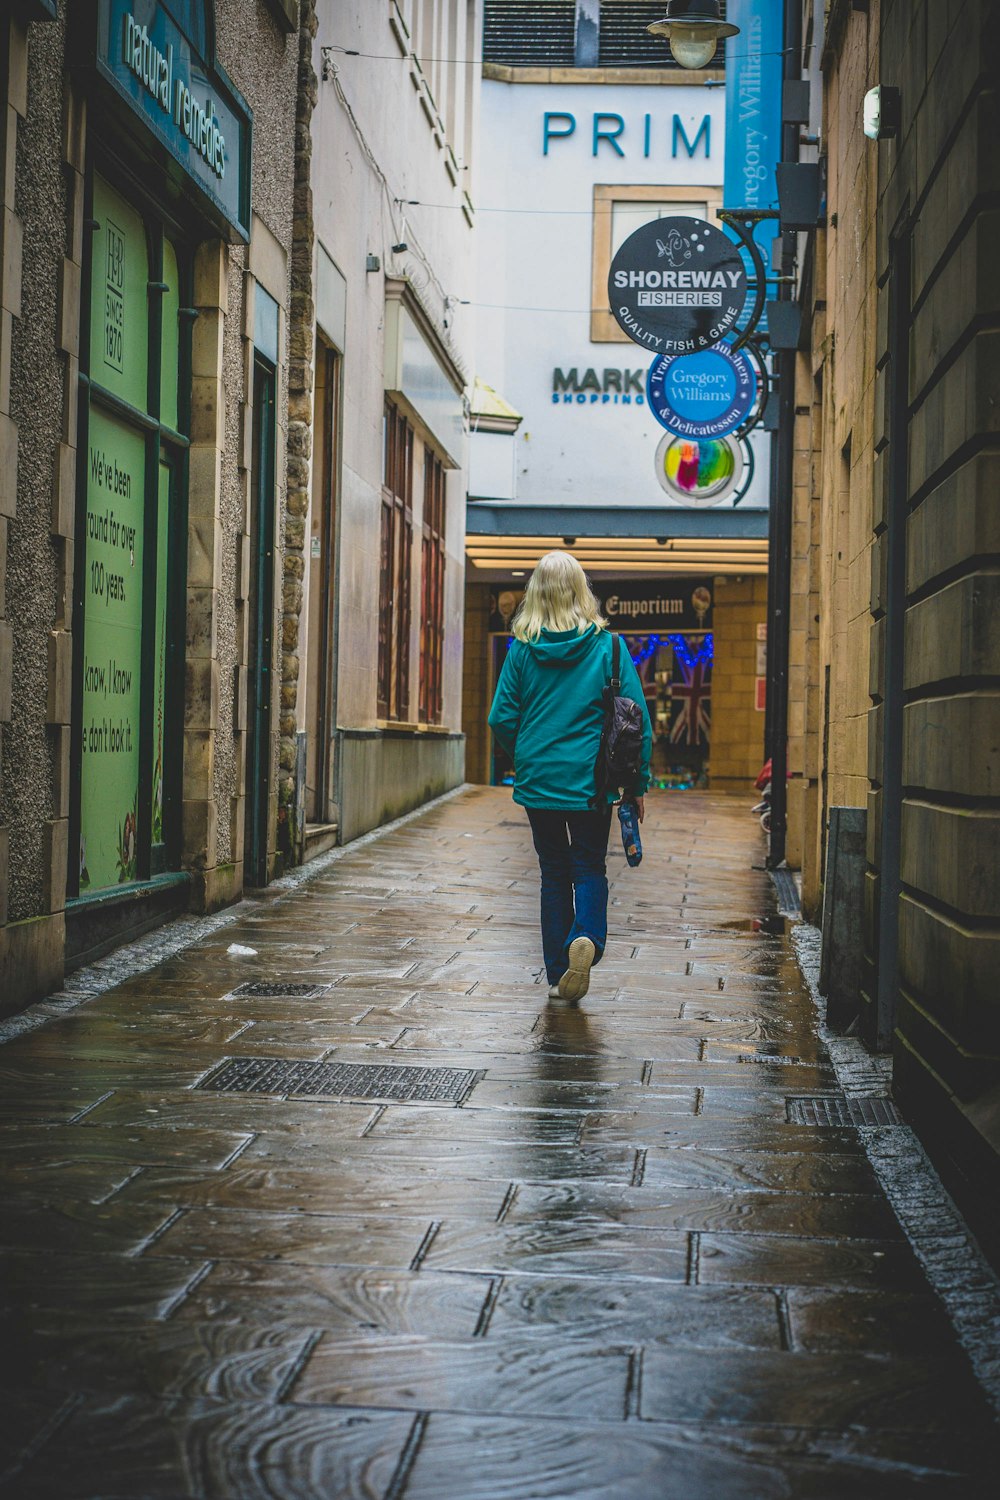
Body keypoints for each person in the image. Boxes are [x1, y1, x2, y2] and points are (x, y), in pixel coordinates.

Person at [488, 552, 652, 1002]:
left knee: (553, 874)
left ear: (535, 594)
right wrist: (637, 785)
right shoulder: (609, 648)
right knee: (589, 866)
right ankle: (587, 938)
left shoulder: (522, 650)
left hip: (540, 782)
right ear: (582, 592)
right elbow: (636, 723)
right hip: (591, 783)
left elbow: (500, 716)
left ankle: (560, 970)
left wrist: (526, 754)